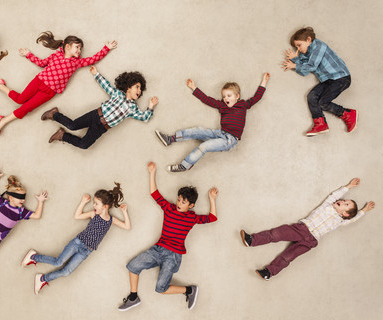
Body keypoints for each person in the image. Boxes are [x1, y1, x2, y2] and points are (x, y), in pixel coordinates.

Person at [118, 162, 218, 311]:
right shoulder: (169, 208)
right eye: (178, 199)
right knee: (132, 266)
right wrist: (152, 172)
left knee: (161, 289)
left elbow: (212, 218)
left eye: (183, 202)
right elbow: (154, 193)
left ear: (190, 205)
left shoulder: (192, 217)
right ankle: (133, 297)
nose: (179, 203)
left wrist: (212, 199)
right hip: (158, 250)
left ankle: (189, 290)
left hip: (173, 255)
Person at [240, 178, 375, 280]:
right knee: (277, 233)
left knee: (288, 256)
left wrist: (363, 211)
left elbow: (352, 220)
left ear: (344, 214)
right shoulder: (328, 205)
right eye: (345, 200)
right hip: (302, 228)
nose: (343, 201)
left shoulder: (339, 221)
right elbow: (333, 195)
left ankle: (268, 272)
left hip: (311, 241)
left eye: (346, 204)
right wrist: (348, 187)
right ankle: (252, 240)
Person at [0, 31, 117, 136]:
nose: (79, 51)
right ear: (67, 46)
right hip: (39, 81)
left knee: (26, 108)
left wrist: (107, 48)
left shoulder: (77, 62)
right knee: (20, 99)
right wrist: (28, 54)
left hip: (49, 92)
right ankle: (0, 86)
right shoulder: (56, 55)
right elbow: (41, 63)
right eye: (77, 47)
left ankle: (2, 121)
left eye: (80, 49)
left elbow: (94, 59)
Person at [22, 183, 130, 294]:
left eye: (96, 204)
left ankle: (42, 279)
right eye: (94, 203)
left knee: (66, 272)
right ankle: (34, 256)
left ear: (105, 206)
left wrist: (124, 212)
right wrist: (83, 202)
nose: (94, 206)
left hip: (86, 251)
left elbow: (127, 226)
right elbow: (77, 216)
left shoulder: (111, 220)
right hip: (77, 243)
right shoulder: (94, 214)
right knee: (58, 262)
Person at [155, 73, 269, 172]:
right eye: (224, 96)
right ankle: (171, 139)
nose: (226, 98)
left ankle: (185, 165)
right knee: (197, 130)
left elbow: (257, 97)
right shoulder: (222, 105)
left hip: (229, 140)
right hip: (220, 133)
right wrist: (194, 88)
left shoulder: (243, 105)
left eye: (229, 96)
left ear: (237, 96)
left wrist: (264, 81)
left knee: (204, 146)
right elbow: (207, 99)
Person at [42, 66, 158, 149]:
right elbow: (106, 86)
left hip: (102, 128)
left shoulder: (133, 108)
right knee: (73, 125)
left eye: (140, 89)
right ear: (128, 87)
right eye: (137, 87)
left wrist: (150, 107)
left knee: (84, 145)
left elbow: (144, 117)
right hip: (96, 115)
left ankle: (62, 135)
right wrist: (96, 74)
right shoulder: (118, 94)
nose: (139, 90)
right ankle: (54, 114)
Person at [282, 27, 358, 136]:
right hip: (328, 80)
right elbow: (304, 72)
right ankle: (320, 124)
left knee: (323, 102)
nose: (298, 49)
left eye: (299, 45)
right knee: (311, 96)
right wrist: (296, 59)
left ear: (308, 40)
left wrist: (294, 65)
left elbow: (311, 66)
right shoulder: (304, 54)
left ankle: (348, 114)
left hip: (340, 77)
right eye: (296, 47)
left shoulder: (319, 46)